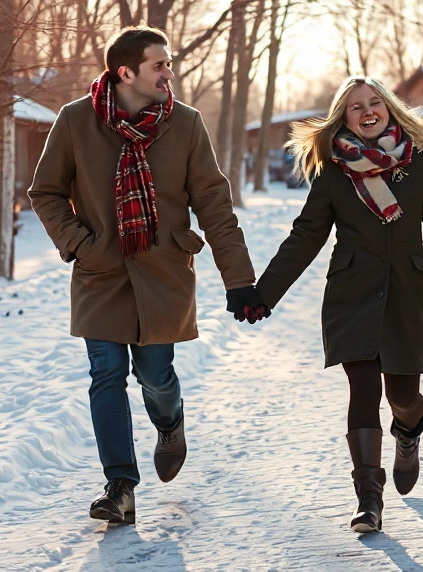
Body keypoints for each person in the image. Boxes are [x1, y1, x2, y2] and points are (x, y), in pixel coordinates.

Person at [29, 26, 268, 525]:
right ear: (126, 72)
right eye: (159, 65)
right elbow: (45, 193)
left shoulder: (185, 123)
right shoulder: (75, 120)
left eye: (168, 64)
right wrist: (81, 244)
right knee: (106, 374)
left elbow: (214, 204)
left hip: (163, 274)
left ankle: (170, 423)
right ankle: (120, 486)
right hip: (100, 273)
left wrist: (239, 281)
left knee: (155, 375)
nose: (168, 73)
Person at [255, 77, 423, 534]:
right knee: (362, 390)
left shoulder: (417, 161)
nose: (367, 111)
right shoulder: (334, 169)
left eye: (374, 102)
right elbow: (306, 235)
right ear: (344, 117)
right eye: (355, 106)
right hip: (351, 294)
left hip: (406, 294)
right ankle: (368, 498)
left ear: (390, 108)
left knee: (403, 397)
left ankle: (409, 433)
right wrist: (265, 293)